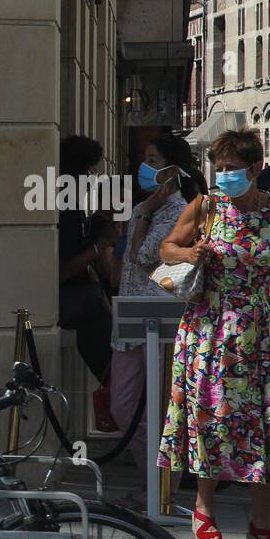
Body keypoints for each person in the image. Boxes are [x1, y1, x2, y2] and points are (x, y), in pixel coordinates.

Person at [157, 128, 270, 539]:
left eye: (233, 168)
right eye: (220, 168)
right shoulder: (207, 206)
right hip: (209, 327)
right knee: (212, 414)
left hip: (261, 332)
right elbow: (166, 248)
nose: (224, 175)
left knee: (264, 423)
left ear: (256, 168)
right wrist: (189, 254)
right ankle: (203, 507)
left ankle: (260, 522)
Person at [109, 136, 207, 508]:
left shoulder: (181, 211)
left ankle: (161, 486)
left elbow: (143, 253)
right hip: (130, 320)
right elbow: (131, 255)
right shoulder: (142, 209)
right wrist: (145, 210)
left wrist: (148, 212)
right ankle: (152, 478)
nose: (145, 167)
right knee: (123, 405)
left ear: (172, 169)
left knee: (161, 407)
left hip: (163, 323)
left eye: (153, 159)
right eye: (144, 158)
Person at [58, 136, 117, 429]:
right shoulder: (66, 209)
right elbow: (63, 270)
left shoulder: (75, 206)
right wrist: (100, 246)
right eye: (89, 171)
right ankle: (117, 395)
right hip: (72, 299)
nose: (92, 178)